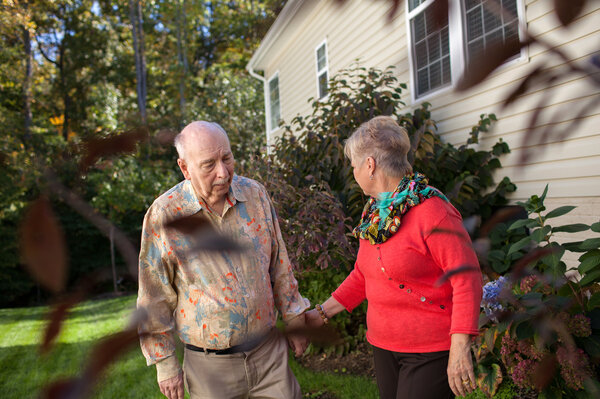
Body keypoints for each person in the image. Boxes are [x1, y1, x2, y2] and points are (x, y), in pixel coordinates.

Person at [305, 116, 483, 398]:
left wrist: (460, 346)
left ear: (370, 165)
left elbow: (466, 278)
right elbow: (364, 275)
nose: (353, 172)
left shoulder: (432, 210)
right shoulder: (376, 214)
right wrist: (321, 314)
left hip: (429, 350)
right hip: (384, 346)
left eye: (354, 165)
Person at [137, 121, 310, 399]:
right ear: (184, 168)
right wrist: (165, 364)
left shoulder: (255, 195)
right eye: (209, 164)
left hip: (269, 357)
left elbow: (280, 263)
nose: (223, 171)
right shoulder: (165, 214)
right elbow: (153, 295)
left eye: (227, 158)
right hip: (210, 370)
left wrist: (294, 320)